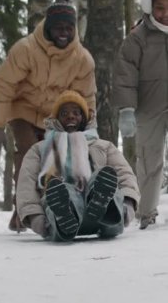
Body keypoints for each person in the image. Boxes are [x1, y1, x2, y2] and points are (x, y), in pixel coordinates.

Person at [0, 0, 97, 232]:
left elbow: (87, 99)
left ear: (74, 29)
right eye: (57, 27)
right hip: (23, 110)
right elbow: (4, 86)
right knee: (28, 156)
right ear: (47, 27)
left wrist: (88, 131)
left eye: (68, 28)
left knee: (55, 161)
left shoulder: (82, 60)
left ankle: (59, 207)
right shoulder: (25, 50)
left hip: (56, 117)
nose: (63, 32)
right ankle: (22, 211)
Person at [16, 90, 140, 242]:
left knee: (101, 177)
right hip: (62, 217)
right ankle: (65, 213)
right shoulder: (40, 149)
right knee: (62, 189)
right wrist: (36, 218)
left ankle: (103, 204)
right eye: (64, 113)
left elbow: (124, 174)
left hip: (103, 216)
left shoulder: (104, 146)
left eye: (76, 112)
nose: (70, 116)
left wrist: (127, 204)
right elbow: (26, 184)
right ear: (56, 119)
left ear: (84, 118)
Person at [113, 0, 168, 229]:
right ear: (149, 6)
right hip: (149, 107)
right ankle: (146, 212)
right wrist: (126, 110)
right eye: (160, 7)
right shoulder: (137, 38)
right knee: (148, 160)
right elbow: (125, 75)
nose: (165, 13)